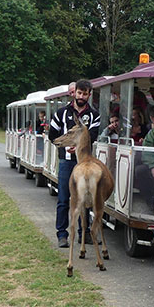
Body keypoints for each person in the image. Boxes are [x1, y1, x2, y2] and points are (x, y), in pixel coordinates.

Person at [48, 79, 100, 247]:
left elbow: (93, 136)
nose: (81, 96)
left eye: (85, 94)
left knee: (84, 199)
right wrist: (65, 146)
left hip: (84, 163)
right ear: (74, 92)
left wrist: (78, 147)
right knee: (64, 198)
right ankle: (62, 234)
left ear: (89, 95)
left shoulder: (94, 115)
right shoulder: (62, 113)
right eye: (79, 93)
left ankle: (83, 234)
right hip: (66, 162)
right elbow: (52, 135)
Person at [134, 104, 154, 209]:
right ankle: (151, 202)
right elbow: (146, 150)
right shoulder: (153, 132)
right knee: (140, 171)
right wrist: (153, 166)